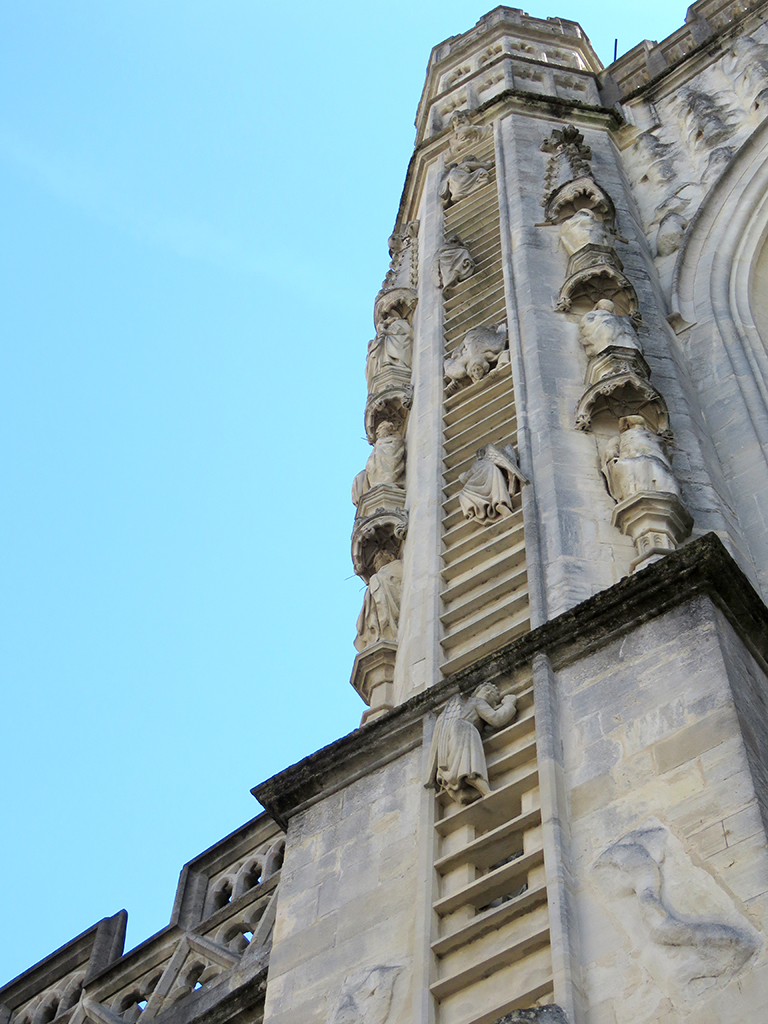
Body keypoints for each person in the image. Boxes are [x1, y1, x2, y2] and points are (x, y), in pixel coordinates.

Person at [425, 683, 518, 804]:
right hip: (464, 730)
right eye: (486, 690)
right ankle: (484, 790)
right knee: (470, 763)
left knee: (465, 763)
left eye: (492, 695)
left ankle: (462, 784)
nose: (489, 693)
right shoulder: (476, 702)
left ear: (493, 704)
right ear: (476, 693)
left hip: (456, 734)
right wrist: (509, 703)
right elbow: (497, 719)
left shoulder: (463, 709)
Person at [601, 416, 680, 503]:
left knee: (662, 478)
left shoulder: (654, 438)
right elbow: (611, 452)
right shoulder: (621, 438)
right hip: (636, 462)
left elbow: (611, 452)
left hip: (654, 462)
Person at [458, 443, 527, 522]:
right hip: (492, 477)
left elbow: (466, 477)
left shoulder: (476, 464)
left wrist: (461, 476)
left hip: (480, 485)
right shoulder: (490, 463)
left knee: (463, 494)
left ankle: (473, 511)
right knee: (497, 488)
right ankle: (501, 503)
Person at [354, 552, 403, 653]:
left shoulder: (395, 565)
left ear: (389, 557)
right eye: (374, 562)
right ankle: (376, 630)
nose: (376, 564)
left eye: (378, 559)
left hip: (393, 598)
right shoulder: (377, 576)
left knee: (375, 579)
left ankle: (385, 628)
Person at [365, 317, 413, 390]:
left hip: (398, 342)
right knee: (383, 344)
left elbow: (404, 330)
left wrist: (384, 330)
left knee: (389, 341)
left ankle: (396, 362)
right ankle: (386, 363)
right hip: (382, 374)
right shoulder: (381, 336)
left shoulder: (398, 324)